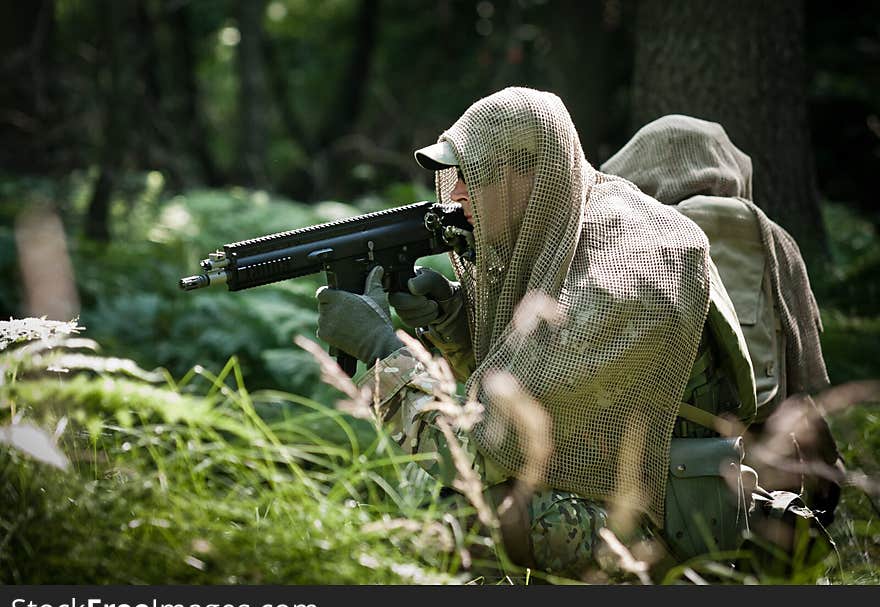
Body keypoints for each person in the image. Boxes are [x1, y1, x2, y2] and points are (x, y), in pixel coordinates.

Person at [315, 87, 760, 580]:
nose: (456, 193)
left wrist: (382, 351)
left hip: (668, 524)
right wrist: (452, 322)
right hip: (609, 481)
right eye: (454, 174)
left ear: (526, 172)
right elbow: (528, 387)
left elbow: (480, 451)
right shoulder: (577, 226)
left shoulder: (627, 275)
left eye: (472, 174)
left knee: (466, 519)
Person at [600, 114, 844, 530]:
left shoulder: (626, 239)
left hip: (653, 458)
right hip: (764, 462)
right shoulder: (775, 240)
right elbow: (805, 370)